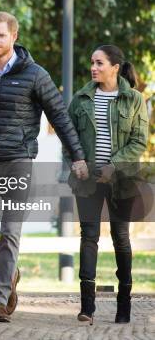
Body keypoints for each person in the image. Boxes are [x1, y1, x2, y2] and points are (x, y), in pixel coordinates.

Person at [0, 11, 88, 322]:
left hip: (18, 160)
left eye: (1, 35)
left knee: (10, 231)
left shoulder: (35, 75)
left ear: (14, 37)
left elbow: (59, 117)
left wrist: (78, 156)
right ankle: (11, 273)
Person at [67, 44, 148, 324]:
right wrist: (76, 161)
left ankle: (123, 305)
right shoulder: (81, 98)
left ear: (115, 67)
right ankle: (86, 308)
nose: (93, 68)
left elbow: (139, 140)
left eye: (99, 63)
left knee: (121, 239)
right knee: (89, 237)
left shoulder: (134, 99)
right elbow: (70, 136)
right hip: (88, 180)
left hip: (122, 180)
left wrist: (113, 166)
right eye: (92, 62)